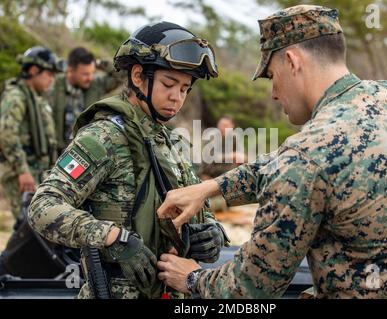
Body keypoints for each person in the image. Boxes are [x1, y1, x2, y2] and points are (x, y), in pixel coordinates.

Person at [156, 5, 387, 299]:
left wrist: (192, 278)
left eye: (271, 76)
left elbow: (249, 290)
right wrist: (212, 187)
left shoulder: (306, 155)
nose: (273, 93)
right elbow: (293, 163)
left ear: (292, 61)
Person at [28, 22, 229, 299]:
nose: (176, 97)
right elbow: (42, 207)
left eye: (184, 89)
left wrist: (213, 233)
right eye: (169, 84)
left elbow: (201, 210)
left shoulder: (176, 145)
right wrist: (113, 238)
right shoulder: (103, 137)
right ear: (138, 76)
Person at [0, 46, 63, 220]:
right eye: (49, 74)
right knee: (27, 227)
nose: (51, 80)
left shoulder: (36, 98)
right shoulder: (16, 97)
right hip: (23, 173)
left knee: (38, 228)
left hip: (38, 170)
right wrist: (22, 171)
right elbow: (6, 133)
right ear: (34, 71)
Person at [46, 47, 123, 154]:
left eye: (92, 72)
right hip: (57, 153)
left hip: (86, 153)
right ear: (70, 70)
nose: (90, 78)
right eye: (85, 74)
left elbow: (121, 75)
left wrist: (98, 63)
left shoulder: (95, 84)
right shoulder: (53, 86)